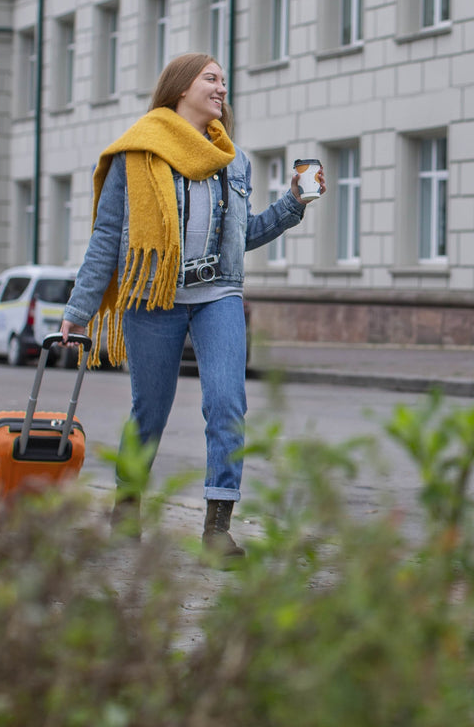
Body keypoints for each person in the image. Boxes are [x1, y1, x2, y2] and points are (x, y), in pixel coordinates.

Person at [59, 52, 323, 561]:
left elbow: (242, 237)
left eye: (224, 81)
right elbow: (108, 235)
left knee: (227, 404)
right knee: (149, 412)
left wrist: (293, 205)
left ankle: (217, 527)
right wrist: (79, 308)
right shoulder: (139, 153)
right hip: (153, 296)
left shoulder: (233, 159)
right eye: (211, 79)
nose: (222, 88)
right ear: (181, 88)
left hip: (218, 293)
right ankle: (127, 510)